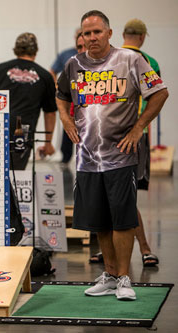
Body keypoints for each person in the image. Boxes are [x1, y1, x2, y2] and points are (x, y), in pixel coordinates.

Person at [56, 10, 168, 301]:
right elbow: (61, 95)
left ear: (109, 33)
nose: (91, 37)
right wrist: (67, 122)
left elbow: (160, 93)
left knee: (123, 220)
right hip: (87, 158)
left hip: (122, 155)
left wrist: (139, 128)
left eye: (96, 32)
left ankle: (124, 278)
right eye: (86, 33)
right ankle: (110, 275)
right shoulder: (73, 64)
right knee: (100, 222)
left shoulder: (130, 60)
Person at [89, 18, 161, 267]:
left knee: (121, 200)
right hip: (131, 139)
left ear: (115, 34)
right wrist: (139, 128)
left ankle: (132, 256)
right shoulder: (149, 61)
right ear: (142, 37)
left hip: (123, 141)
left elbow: (158, 93)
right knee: (118, 199)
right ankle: (136, 252)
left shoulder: (128, 60)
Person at [0, 33, 57, 170]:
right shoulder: (44, 76)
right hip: (23, 132)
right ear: (36, 51)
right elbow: (50, 113)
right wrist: (48, 143)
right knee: (17, 178)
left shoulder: (0, 70)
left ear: (16, 49)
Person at [49, 29, 82, 167]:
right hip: (71, 97)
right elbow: (52, 70)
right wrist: (57, 88)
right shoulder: (67, 55)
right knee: (68, 124)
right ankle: (65, 156)